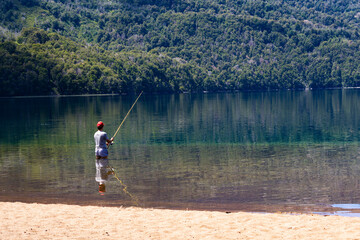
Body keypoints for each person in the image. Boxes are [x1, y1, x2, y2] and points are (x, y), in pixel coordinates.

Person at [94, 121, 114, 193]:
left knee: (99, 165)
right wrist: (111, 140)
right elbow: (108, 141)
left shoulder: (95, 134)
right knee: (104, 165)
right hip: (103, 151)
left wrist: (111, 172)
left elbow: (99, 142)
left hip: (97, 151)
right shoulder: (104, 133)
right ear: (102, 126)